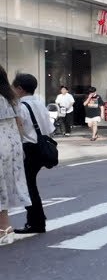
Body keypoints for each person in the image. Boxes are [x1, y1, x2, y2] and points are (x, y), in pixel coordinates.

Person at [13, 73, 52, 234]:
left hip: (29, 149)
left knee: (28, 187)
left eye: (14, 88)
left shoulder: (21, 106)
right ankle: (38, 219)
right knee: (30, 185)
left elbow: (18, 130)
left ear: (20, 89)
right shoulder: (40, 104)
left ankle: (36, 222)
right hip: (42, 147)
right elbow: (50, 128)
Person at [0, 66, 31, 244]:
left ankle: (4, 228)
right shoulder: (11, 97)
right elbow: (19, 124)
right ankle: (5, 227)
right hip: (12, 146)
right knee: (4, 185)